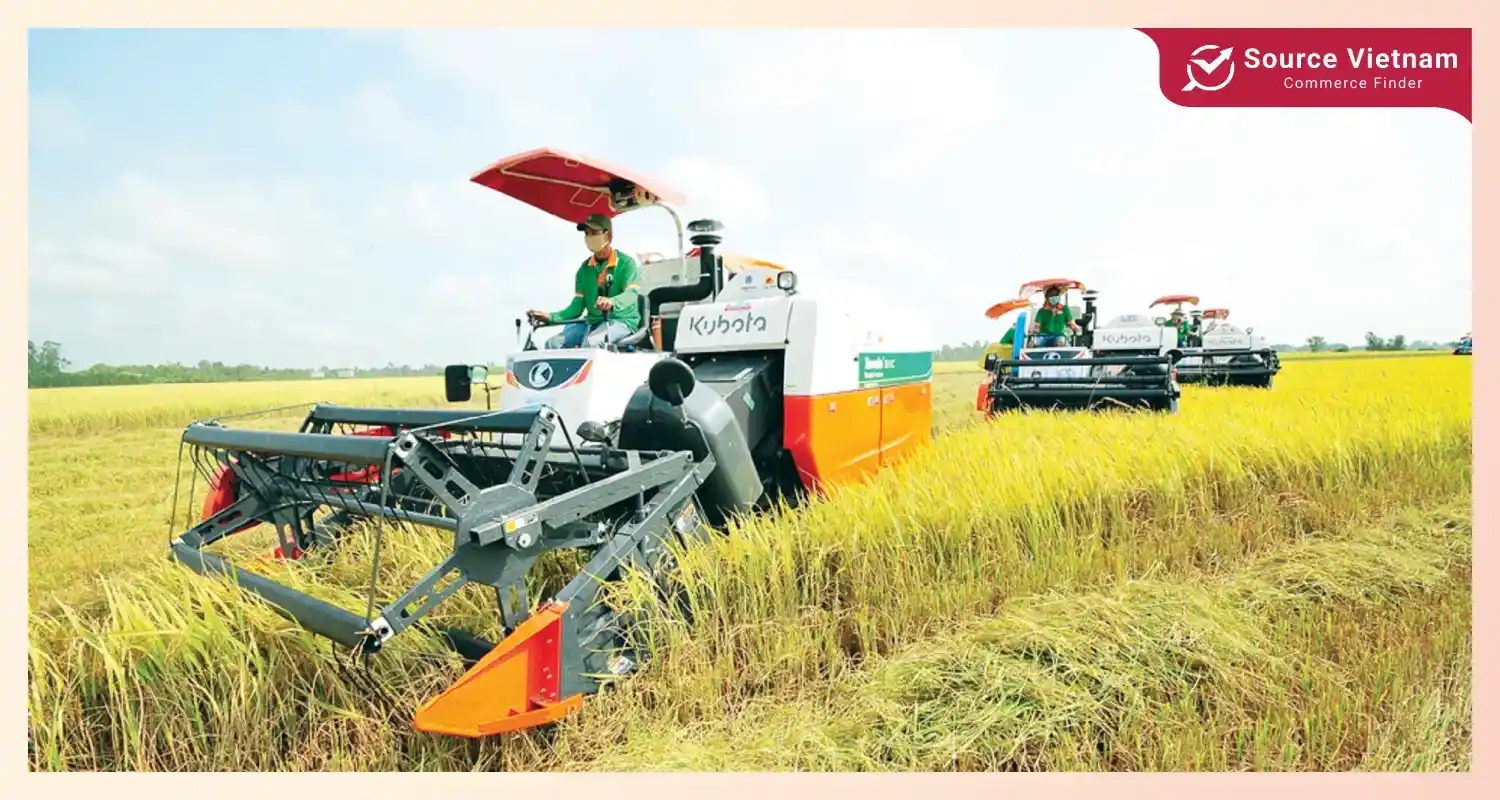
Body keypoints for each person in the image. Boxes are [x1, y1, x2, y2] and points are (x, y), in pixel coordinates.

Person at [526, 213, 644, 349]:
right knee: (552, 343)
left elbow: (631, 294)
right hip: (592, 322)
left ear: (609, 236)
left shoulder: (626, 263)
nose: (590, 237)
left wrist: (611, 302)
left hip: (622, 321)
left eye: (594, 233)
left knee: (591, 343)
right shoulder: (583, 270)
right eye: (587, 233)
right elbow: (576, 308)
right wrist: (550, 316)